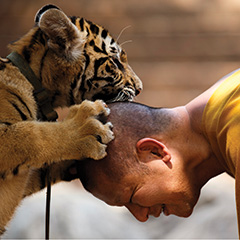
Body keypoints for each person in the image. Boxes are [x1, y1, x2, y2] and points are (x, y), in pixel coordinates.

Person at [74, 68, 240, 236]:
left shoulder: (235, 120)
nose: (141, 217)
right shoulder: (225, 102)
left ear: (155, 152)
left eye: (132, 198)